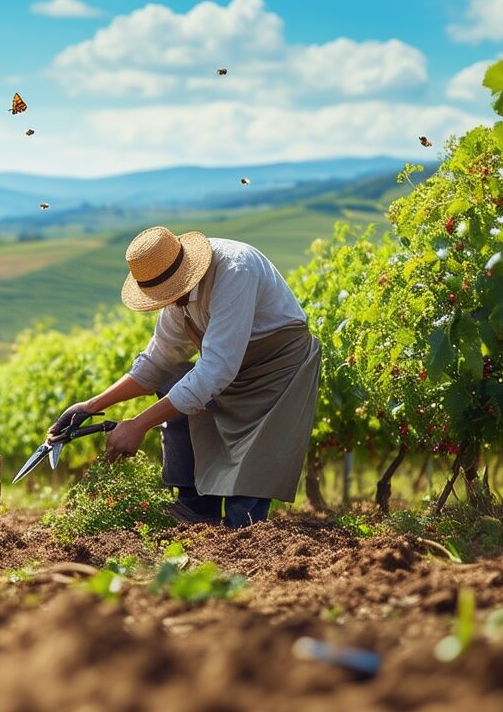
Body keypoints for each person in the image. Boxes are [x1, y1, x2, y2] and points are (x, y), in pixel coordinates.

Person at [49, 226, 321, 528]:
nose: (166, 301)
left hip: (276, 370)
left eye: (169, 293)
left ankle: (245, 545)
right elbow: (157, 362)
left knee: (246, 492)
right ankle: (196, 507)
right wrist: (90, 406)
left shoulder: (234, 271)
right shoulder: (176, 292)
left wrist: (138, 425)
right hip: (232, 369)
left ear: (186, 273)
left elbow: (214, 371)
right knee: (173, 379)